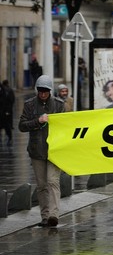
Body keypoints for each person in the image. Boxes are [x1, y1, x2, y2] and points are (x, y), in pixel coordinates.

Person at [19, 75, 65, 227]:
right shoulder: (30, 105)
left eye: (45, 91)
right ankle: (45, 216)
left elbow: (66, 126)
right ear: (37, 91)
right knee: (41, 185)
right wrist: (38, 121)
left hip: (54, 151)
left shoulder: (59, 105)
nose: (43, 94)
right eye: (40, 91)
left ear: (50, 91)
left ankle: (54, 215)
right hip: (36, 151)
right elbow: (22, 125)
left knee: (53, 181)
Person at [0, 80, 15, 146]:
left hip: (4, 112)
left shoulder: (5, 90)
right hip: (4, 111)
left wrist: (7, 111)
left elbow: (9, 101)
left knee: (6, 126)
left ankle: (10, 138)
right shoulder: (6, 90)